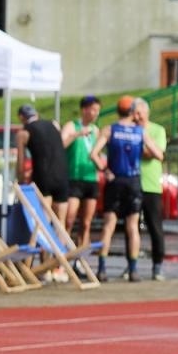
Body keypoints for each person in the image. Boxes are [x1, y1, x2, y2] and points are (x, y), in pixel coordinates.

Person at [89, 95, 162, 283]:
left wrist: (105, 169)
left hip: (115, 180)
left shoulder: (109, 130)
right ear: (132, 112)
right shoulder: (140, 132)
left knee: (109, 226)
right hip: (133, 181)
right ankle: (134, 269)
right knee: (132, 227)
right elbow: (158, 154)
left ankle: (102, 269)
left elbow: (93, 154)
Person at [62, 94, 104, 251]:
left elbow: (97, 153)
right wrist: (76, 135)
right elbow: (61, 144)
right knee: (69, 219)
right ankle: (63, 255)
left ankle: (80, 258)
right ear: (84, 110)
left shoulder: (95, 130)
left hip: (90, 179)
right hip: (73, 178)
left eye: (97, 110)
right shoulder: (72, 126)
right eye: (93, 110)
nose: (95, 113)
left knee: (86, 223)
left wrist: (102, 168)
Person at [134, 98, 169, 281]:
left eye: (140, 113)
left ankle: (157, 265)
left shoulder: (157, 130)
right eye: (135, 113)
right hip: (133, 183)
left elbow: (154, 154)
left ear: (147, 113)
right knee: (132, 227)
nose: (137, 117)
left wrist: (140, 149)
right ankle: (131, 265)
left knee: (155, 226)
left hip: (151, 185)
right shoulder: (130, 129)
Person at [15, 104, 68, 222]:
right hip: (62, 174)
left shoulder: (23, 133)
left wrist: (20, 179)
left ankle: (44, 240)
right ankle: (62, 241)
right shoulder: (54, 124)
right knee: (61, 222)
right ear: (36, 114)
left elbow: (21, 160)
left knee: (45, 219)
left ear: (21, 117)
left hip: (43, 175)